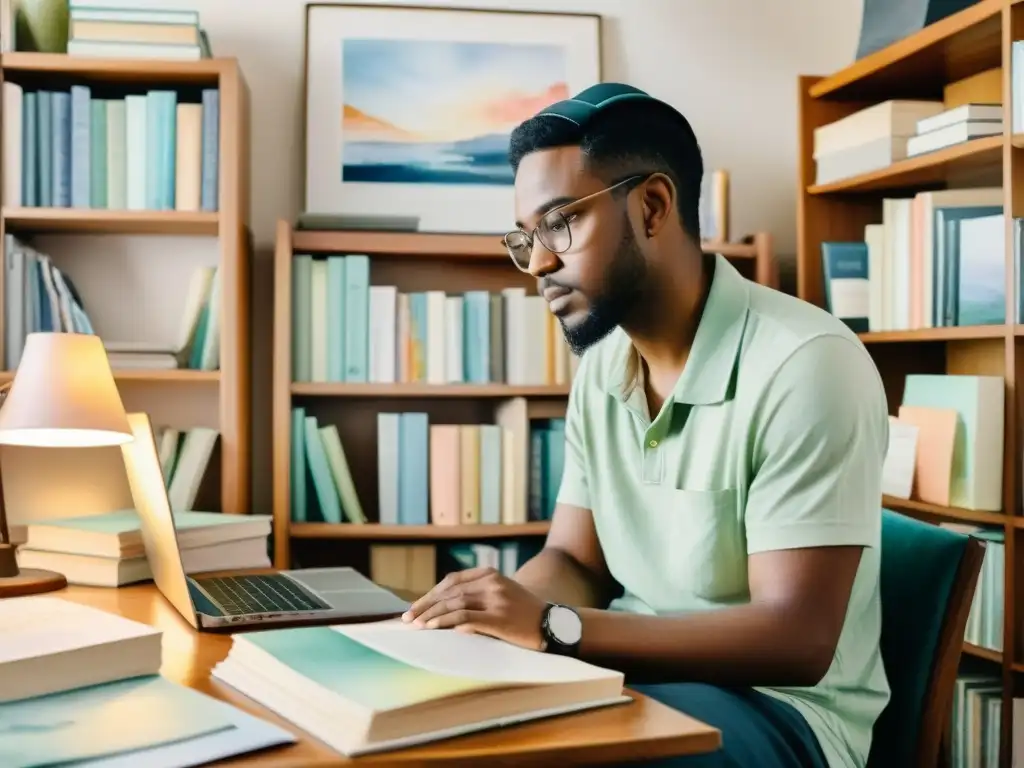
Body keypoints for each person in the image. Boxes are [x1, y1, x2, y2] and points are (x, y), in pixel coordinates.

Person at [402, 83, 890, 768]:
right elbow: (576, 561)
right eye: (525, 238)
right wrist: (481, 620)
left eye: (559, 224)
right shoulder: (602, 368)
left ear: (653, 207)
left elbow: (797, 640)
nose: (538, 263)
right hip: (625, 669)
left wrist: (552, 627)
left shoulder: (807, 365)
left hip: (780, 712)